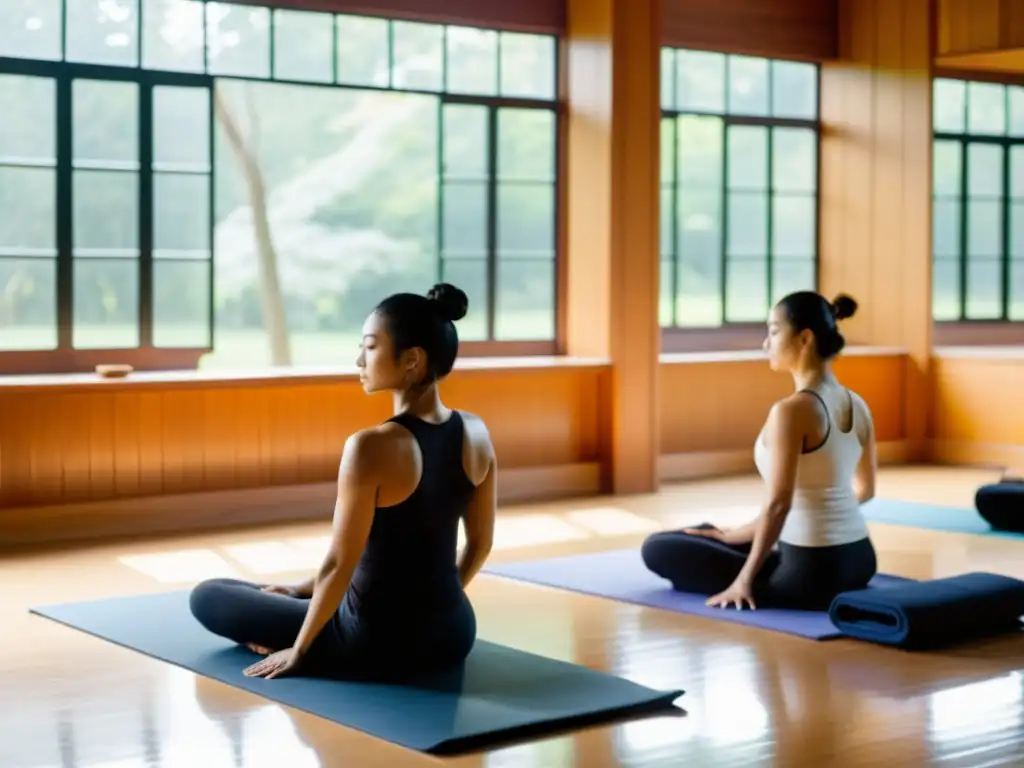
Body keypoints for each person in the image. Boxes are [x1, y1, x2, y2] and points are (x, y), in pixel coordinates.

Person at [189, 283, 497, 681]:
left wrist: (300, 651)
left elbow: (341, 561)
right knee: (272, 592)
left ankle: (309, 628)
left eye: (369, 347)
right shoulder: (477, 431)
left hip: (373, 640)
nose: (358, 359)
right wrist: (302, 588)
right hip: (454, 633)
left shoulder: (370, 446)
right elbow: (481, 543)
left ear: (411, 360)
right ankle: (299, 596)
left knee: (210, 595)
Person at [641, 291, 878, 611]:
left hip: (812, 574)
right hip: (859, 561)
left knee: (658, 548)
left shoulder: (793, 410)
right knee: (709, 532)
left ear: (805, 338)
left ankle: (749, 564)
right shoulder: (857, 403)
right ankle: (733, 540)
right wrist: (732, 536)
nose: (766, 343)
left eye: (774, 331)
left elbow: (779, 504)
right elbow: (866, 491)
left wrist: (743, 580)